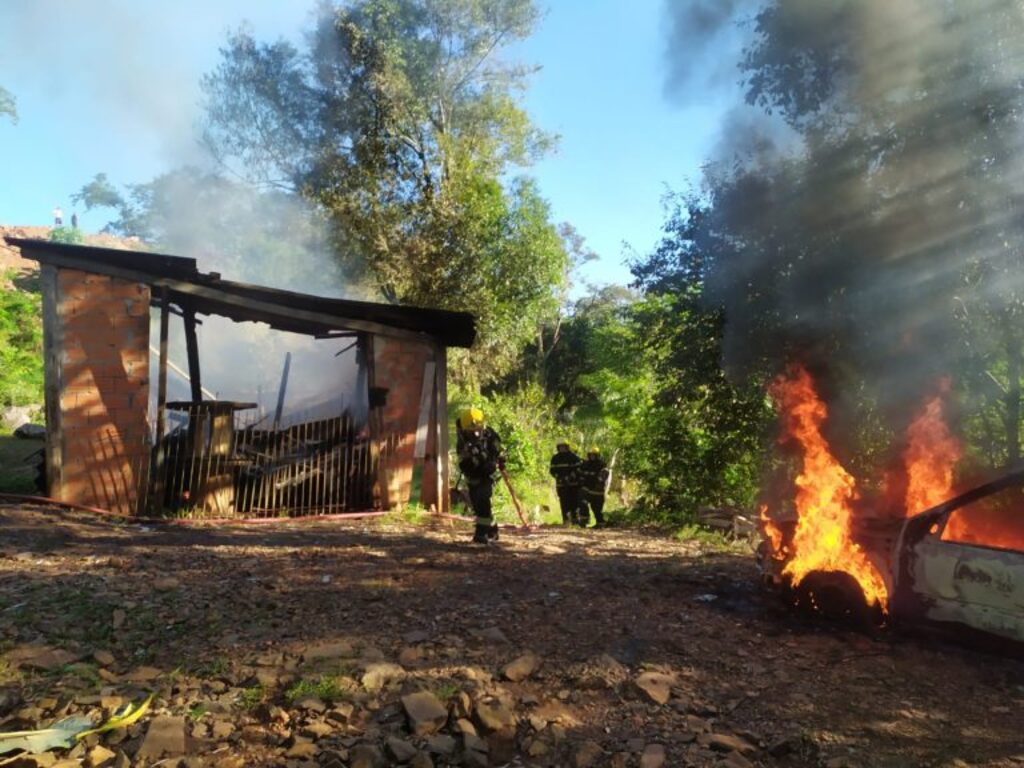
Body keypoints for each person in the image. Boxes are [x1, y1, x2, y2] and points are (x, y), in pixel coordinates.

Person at [456, 407, 505, 544]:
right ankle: (492, 529)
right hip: (473, 475)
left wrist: (500, 459)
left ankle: (480, 534)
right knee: (477, 504)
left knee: (483, 500)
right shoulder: (462, 440)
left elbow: (499, 449)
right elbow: (463, 460)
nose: (476, 433)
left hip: (488, 474)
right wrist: (473, 457)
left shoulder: (490, 434)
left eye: (478, 429)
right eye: (472, 431)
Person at [549, 441, 584, 526]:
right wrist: (559, 477)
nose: (562, 448)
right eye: (560, 447)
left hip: (573, 485)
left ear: (567, 447)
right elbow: (552, 470)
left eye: (563, 447)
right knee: (564, 503)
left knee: (574, 502)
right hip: (561, 485)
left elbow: (579, 468)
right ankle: (566, 521)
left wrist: (571, 477)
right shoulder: (555, 458)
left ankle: (575, 521)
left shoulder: (574, 457)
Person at [580, 446, 610, 528]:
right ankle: (584, 521)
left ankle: (600, 524)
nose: (592, 457)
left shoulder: (602, 466)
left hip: (597, 492)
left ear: (597, 456)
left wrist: (592, 478)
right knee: (583, 503)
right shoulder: (585, 465)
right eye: (590, 455)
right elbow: (581, 475)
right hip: (587, 490)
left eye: (594, 455)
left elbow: (601, 479)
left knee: (597, 510)